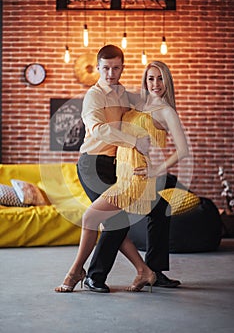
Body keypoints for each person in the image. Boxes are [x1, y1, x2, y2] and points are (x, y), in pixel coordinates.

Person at [55, 45, 189, 293]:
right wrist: (135, 142)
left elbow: (155, 109)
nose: (110, 73)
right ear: (98, 68)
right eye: (105, 68)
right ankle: (93, 274)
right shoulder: (94, 96)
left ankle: (152, 271)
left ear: (122, 69)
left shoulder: (127, 96)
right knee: (114, 220)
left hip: (122, 168)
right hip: (93, 163)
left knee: (159, 209)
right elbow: (98, 129)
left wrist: (157, 167)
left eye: (116, 68)